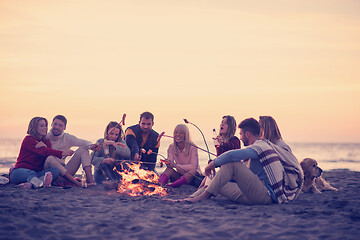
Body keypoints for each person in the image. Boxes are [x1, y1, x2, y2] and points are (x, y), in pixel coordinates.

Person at [184, 118, 303, 204]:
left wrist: (212, 164)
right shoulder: (259, 148)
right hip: (252, 194)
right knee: (213, 179)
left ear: (247, 134)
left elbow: (232, 155)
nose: (240, 137)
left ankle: (201, 198)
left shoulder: (260, 146)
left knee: (232, 164)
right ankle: (190, 198)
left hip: (264, 195)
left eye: (241, 134)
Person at [9, 117, 73, 189]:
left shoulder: (46, 141)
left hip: (36, 172)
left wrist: (45, 146)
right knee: (31, 174)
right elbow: (44, 151)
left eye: (46, 125)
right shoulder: (29, 139)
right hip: (18, 172)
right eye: (42, 126)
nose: (45, 128)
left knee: (55, 170)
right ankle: (39, 184)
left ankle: (31, 184)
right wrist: (62, 153)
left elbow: (48, 153)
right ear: (34, 127)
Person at [189, 115, 241, 197]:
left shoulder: (235, 140)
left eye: (225, 123)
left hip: (233, 175)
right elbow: (220, 160)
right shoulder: (220, 142)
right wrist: (212, 163)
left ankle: (196, 195)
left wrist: (222, 144)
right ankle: (197, 193)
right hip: (223, 173)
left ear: (231, 127)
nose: (222, 125)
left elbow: (231, 150)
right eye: (221, 123)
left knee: (209, 180)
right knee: (209, 176)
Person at [44, 115, 99, 187]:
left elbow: (81, 142)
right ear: (51, 124)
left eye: (60, 125)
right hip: (49, 173)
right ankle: (77, 183)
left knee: (83, 150)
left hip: (65, 173)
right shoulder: (45, 137)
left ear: (64, 127)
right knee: (50, 158)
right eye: (55, 124)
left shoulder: (67, 137)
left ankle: (90, 181)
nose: (57, 127)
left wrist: (92, 146)